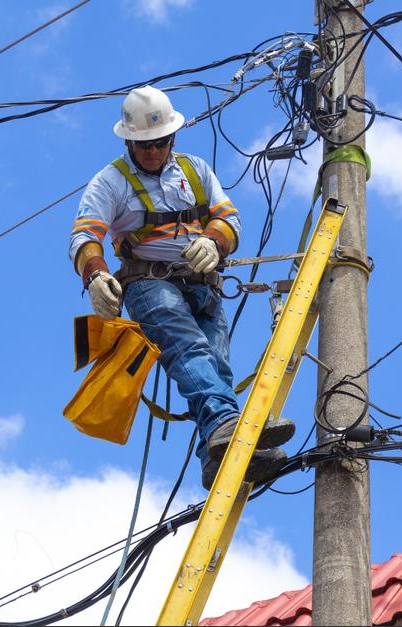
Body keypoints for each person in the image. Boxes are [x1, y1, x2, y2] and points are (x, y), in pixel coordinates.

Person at [68, 86, 294, 489]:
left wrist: (214, 241)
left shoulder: (194, 170)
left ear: (172, 136)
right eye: (145, 145)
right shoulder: (111, 182)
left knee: (216, 367)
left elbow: (228, 218)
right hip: (149, 285)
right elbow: (85, 235)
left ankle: (215, 455)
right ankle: (226, 424)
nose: (154, 151)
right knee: (189, 350)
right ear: (128, 141)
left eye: (161, 142)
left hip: (204, 284)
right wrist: (96, 276)